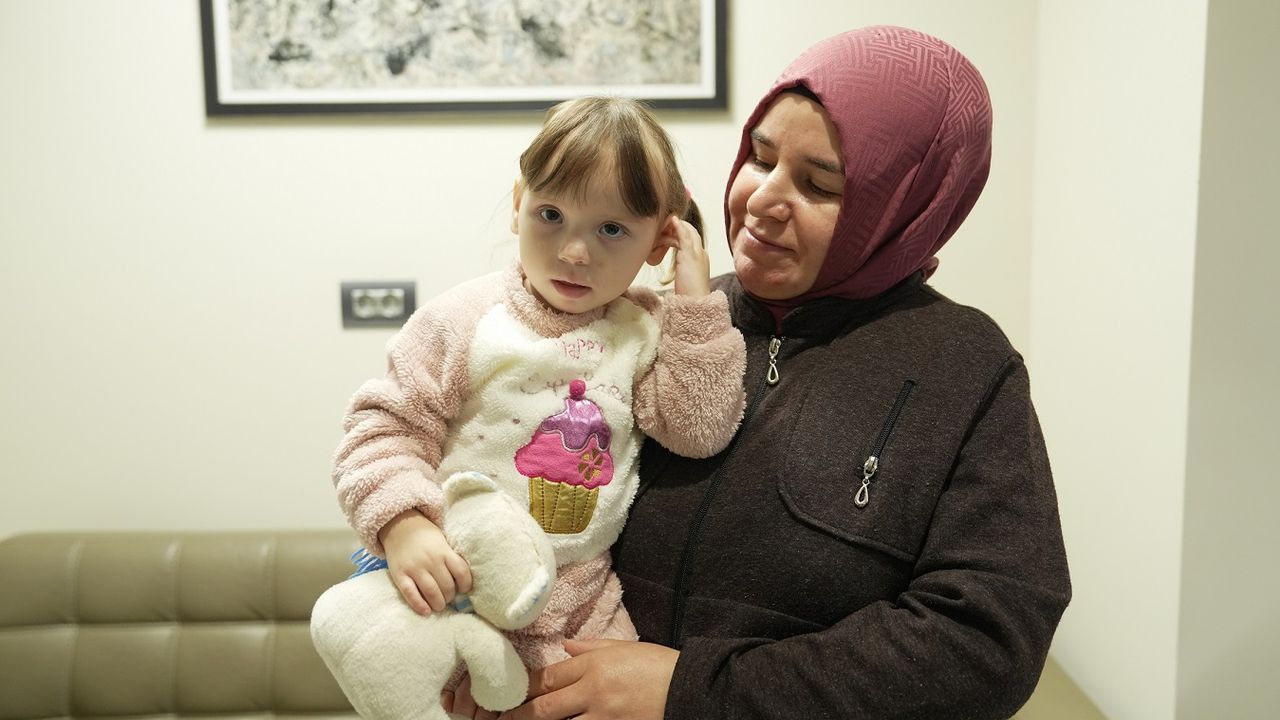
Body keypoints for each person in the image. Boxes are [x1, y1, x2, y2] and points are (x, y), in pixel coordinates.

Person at [496, 26, 1072, 720]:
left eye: (819, 185)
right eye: (760, 158)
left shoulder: (966, 367)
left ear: (902, 210)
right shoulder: (657, 320)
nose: (763, 198)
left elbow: (986, 642)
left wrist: (696, 691)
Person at [327, 96, 746, 717]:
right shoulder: (465, 320)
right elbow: (381, 429)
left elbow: (699, 429)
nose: (574, 252)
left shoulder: (645, 329)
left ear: (661, 239)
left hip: (581, 602)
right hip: (457, 583)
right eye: (551, 215)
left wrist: (694, 303)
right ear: (519, 202)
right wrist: (405, 525)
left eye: (611, 229)